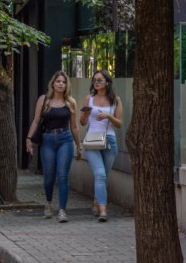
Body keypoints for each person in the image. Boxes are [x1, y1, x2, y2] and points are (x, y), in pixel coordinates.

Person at [25, 70, 81, 223]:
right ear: (53, 83)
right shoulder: (44, 100)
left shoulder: (70, 102)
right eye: (58, 81)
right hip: (48, 139)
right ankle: (49, 203)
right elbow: (36, 121)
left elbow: (74, 126)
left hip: (66, 139)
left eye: (63, 82)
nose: (61, 84)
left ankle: (62, 210)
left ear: (66, 85)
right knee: (49, 177)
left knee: (63, 176)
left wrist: (79, 145)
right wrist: (28, 138)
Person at [79, 69, 123, 222]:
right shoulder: (88, 99)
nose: (96, 83)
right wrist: (85, 115)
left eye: (99, 80)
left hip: (109, 141)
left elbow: (119, 124)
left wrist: (108, 115)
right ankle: (103, 211)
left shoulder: (115, 100)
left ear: (107, 82)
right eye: (94, 80)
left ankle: (97, 202)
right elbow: (82, 122)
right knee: (100, 174)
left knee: (104, 176)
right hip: (92, 141)